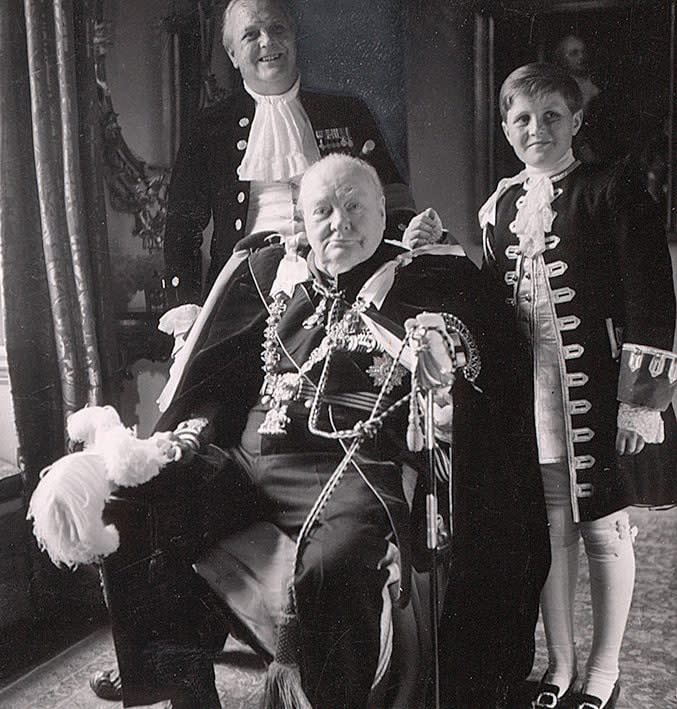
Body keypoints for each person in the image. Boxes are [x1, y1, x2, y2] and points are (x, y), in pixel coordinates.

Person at [98, 154, 549, 708]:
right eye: (324, 210)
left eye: (355, 206)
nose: (341, 223)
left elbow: (474, 382)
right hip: (251, 461)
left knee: (333, 567)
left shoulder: (428, 281)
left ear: (384, 210)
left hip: (358, 468)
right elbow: (223, 380)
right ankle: (182, 686)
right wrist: (190, 433)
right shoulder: (275, 280)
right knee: (132, 500)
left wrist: (445, 384)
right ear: (303, 219)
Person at [477, 63, 677, 709]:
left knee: (603, 528)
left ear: (576, 121)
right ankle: (558, 667)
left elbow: (651, 299)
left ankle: (602, 669)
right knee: (549, 528)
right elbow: (487, 302)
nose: (536, 129)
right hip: (528, 397)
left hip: (598, 392)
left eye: (551, 116)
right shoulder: (501, 203)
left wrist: (640, 401)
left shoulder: (612, 189)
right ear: (506, 127)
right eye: (522, 118)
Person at [162, 0, 414, 306]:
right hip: (246, 292)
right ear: (232, 55)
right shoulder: (209, 127)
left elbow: (393, 199)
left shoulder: (348, 113)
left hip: (343, 283)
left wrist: (410, 237)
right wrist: (185, 307)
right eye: (251, 35)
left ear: (293, 36)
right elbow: (181, 229)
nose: (267, 41)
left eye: (277, 28)